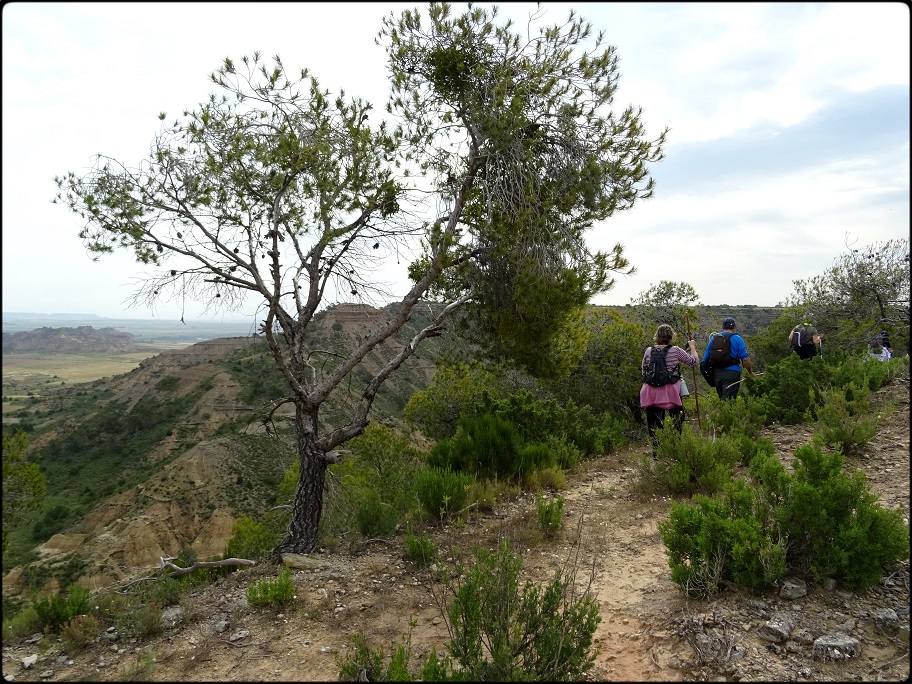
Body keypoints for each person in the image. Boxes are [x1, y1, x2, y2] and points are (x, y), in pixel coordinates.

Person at [640, 324, 699, 453]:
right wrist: (693, 347)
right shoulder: (676, 350)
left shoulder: (649, 350)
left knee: (654, 423)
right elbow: (694, 362)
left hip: (650, 392)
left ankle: (657, 452)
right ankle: (675, 448)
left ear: (657, 336)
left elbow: (644, 370)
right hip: (670, 392)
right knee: (677, 420)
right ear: (671, 336)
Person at [702, 317, 756, 400]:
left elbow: (706, 358)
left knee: (722, 399)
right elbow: (745, 359)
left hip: (717, 374)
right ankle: (726, 413)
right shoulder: (738, 339)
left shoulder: (714, 338)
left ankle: (721, 412)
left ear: (723, 327)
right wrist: (750, 372)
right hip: (732, 373)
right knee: (729, 402)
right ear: (734, 326)